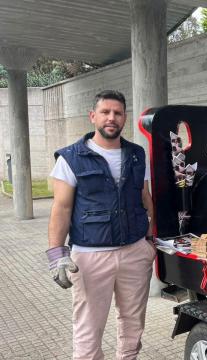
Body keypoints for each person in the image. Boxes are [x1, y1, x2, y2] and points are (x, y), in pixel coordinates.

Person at [46, 90, 156, 360]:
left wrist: (151, 240)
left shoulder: (137, 155)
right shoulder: (71, 157)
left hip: (134, 252)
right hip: (90, 255)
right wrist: (57, 254)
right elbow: (61, 208)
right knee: (88, 331)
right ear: (93, 116)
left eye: (117, 113)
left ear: (124, 118)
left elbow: (145, 197)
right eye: (105, 112)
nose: (111, 118)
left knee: (133, 326)